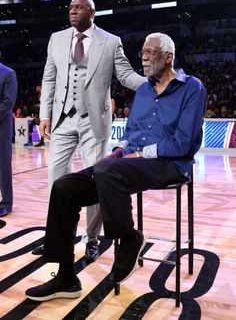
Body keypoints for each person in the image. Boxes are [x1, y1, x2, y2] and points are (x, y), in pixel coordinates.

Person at [25, 32, 206, 301]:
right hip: (127, 165)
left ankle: (129, 239)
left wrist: (139, 155)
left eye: (151, 52)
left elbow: (183, 144)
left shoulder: (192, 87)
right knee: (65, 187)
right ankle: (65, 277)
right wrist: (119, 151)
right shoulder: (144, 90)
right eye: (143, 51)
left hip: (169, 165)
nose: (143, 56)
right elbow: (130, 131)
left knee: (108, 171)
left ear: (169, 57)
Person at [32, 0, 145, 260]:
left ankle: (92, 238)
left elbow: (126, 76)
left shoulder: (110, 41)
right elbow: (49, 78)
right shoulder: (56, 39)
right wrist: (44, 113)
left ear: (92, 13)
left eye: (79, 7)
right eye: (71, 7)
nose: (73, 11)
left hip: (94, 121)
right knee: (56, 180)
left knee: (95, 181)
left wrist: (156, 82)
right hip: (62, 118)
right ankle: (59, 238)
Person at [0, 54, 18, 217]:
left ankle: (6, 203)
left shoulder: (8, 73)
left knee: (3, 166)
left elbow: (8, 103)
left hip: (2, 128)